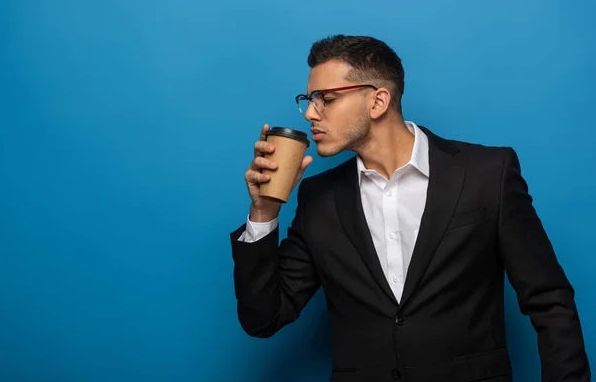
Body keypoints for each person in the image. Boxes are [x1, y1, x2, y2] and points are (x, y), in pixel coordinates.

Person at [229, 35, 591, 381]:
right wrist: (264, 212)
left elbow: (549, 300)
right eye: (308, 99)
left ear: (378, 101)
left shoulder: (487, 174)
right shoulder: (318, 199)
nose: (310, 113)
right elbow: (263, 318)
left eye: (325, 98)